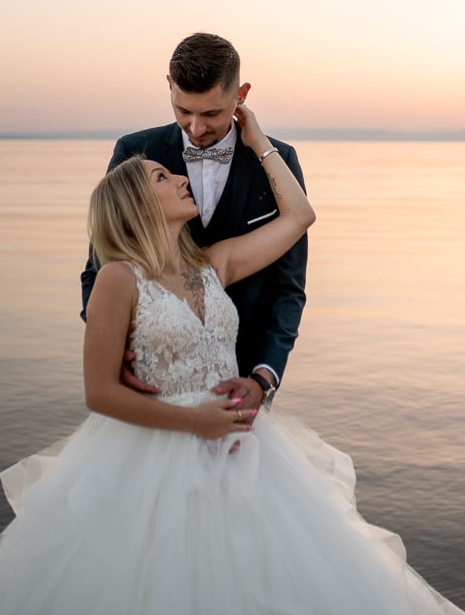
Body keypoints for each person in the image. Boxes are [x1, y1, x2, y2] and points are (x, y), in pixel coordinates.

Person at [0, 103, 465, 615]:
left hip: (245, 453)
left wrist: (259, 141)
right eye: (161, 176)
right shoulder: (117, 278)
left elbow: (301, 216)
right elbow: (100, 392)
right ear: (137, 203)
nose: (180, 176)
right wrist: (194, 422)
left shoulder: (212, 263)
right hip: (158, 459)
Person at [81, 31, 309, 410]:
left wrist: (263, 379)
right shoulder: (137, 153)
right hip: (152, 389)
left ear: (241, 95)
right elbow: (100, 264)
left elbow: (288, 287)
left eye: (212, 114)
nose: (197, 128)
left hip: (241, 386)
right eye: (183, 111)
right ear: (169, 87)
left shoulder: (277, 160)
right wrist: (113, 350)